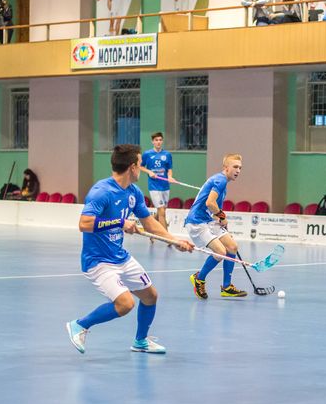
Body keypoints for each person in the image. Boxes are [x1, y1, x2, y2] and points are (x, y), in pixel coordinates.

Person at [66, 144, 193, 355]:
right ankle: (79, 325)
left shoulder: (134, 192)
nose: (142, 169)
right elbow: (84, 224)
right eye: (140, 164)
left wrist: (174, 240)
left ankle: (140, 341)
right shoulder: (101, 192)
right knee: (125, 304)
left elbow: (149, 223)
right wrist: (119, 222)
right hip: (98, 262)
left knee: (150, 296)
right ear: (132, 167)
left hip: (120, 257)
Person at [186, 154, 248, 300]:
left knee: (232, 247)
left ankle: (227, 287)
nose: (238, 170)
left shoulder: (222, 183)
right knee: (220, 252)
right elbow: (210, 203)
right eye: (235, 167)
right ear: (226, 168)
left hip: (208, 220)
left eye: (240, 168)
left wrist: (220, 219)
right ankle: (199, 279)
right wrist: (222, 215)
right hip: (196, 221)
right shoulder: (220, 180)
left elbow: (211, 210)